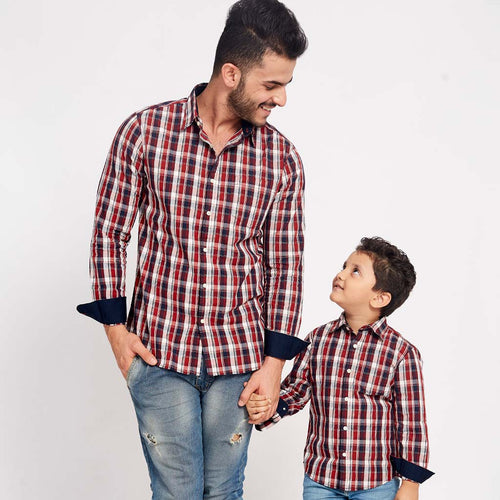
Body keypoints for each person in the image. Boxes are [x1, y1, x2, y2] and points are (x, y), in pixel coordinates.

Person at [76, 0, 308, 498]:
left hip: (239, 359)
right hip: (159, 352)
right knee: (176, 493)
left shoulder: (283, 160)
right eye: (272, 85)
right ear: (231, 74)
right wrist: (118, 335)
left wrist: (273, 366)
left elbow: (286, 266)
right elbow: (109, 233)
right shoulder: (143, 133)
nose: (282, 99)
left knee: (223, 493)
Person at [247, 237, 434, 500]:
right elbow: (297, 391)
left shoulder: (402, 354)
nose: (341, 274)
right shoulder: (318, 339)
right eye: (344, 266)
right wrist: (267, 408)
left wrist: (411, 483)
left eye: (355, 271)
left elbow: (411, 423)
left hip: (375, 483)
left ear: (380, 297)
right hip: (321, 480)